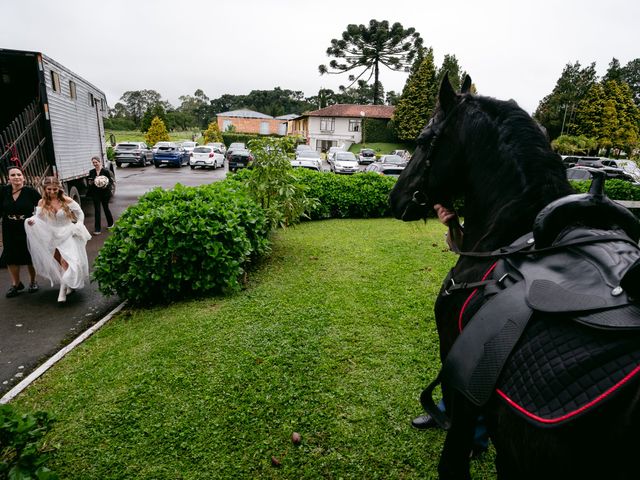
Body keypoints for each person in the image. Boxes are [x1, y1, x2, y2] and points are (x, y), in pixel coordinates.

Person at [411, 204, 488, 456]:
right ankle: (445, 409)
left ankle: (475, 437)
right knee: (452, 354)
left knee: (481, 364)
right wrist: (453, 225)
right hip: (464, 287)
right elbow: (460, 248)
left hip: (499, 290)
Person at [25, 176, 91, 303]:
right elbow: (38, 217)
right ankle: (69, 285)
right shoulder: (42, 202)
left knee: (65, 261)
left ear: (59, 188)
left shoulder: (66, 200)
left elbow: (80, 213)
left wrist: (79, 224)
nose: (52, 192)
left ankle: (62, 292)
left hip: (67, 233)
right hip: (51, 236)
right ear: (45, 189)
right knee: (60, 263)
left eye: (55, 189)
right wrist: (32, 221)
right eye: (49, 189)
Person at [1, 166, 41, 297]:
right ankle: (16, 284)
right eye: (13, 175)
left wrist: (35, 219)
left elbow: (42, 209)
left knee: (29, 255)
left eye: (19, 174)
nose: (16, 177)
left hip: (27, 226)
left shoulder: (31, 192)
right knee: (10, 256)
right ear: (8, 178)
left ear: (23, 177)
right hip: (9, 226)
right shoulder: (4, 191)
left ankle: (33, 281)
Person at [87, 156, 114, 235]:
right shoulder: (91, 171)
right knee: (97, 210)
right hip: (95, 193)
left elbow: (110, 182)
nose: (95, 164)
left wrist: (105, 184)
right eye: (93, 163)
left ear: (100, 162)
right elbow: (90, 182)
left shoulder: (105, 171)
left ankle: (110, 223)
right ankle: (97, 229)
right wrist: (91, 182)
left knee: (106, 208)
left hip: (105, 193)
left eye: (96, 162)